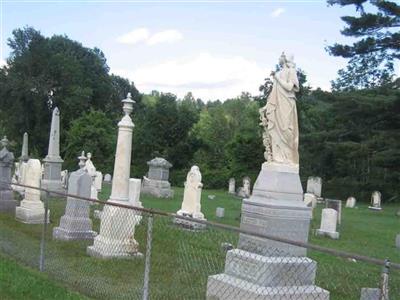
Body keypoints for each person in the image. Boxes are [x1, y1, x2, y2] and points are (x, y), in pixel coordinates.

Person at [260, 52, 300, 166]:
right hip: (277, 105)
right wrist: (266, 107)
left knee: (286, 128)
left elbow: (289, 87)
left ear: (285, 58)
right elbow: (273, 94)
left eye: (281, 56)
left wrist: (276, 78)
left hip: (287, 103)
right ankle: (278, 158)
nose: (279, 58)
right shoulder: (278, 73)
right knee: (276, 130)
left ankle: (288, 158)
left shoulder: (291, 71)